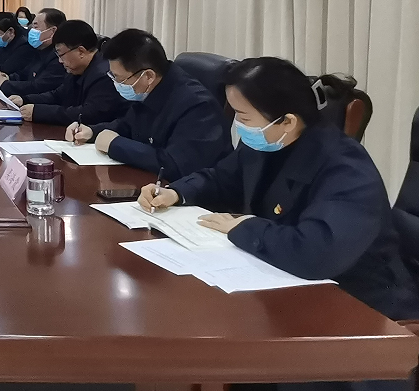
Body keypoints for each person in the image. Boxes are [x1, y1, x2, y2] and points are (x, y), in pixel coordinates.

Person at [140, 57, 419, 330]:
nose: (239, 125)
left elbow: (316, 253)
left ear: (287, 121)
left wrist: (245, 227)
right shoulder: (267, 141)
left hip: (362, 305)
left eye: (243, 117)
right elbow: (222, 179)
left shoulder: (347, 170)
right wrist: (176, 192)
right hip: (286, 280)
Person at [65, 29, 230, 179]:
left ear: (148, 76)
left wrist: (115, 145)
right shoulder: (150, 88)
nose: (116, 83)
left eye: (120, 78)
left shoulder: (198, 107)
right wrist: (92, 132)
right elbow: (128, 125)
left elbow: (175, 166)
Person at [9, 19, 126, 125]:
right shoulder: (76, 70)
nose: (60, 61)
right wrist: (25, 100)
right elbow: (57, 95)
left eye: (61, 55)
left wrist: (39, 112)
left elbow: (89, 114)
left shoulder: (104, 75)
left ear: (81, 51)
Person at [0, 7, 68, 94]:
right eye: (32, 27)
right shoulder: (39, 51)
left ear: (53, 31)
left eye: (36, 27)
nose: (31, 31)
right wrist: (5, 77)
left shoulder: (58, 57)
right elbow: (24, 74)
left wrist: (5, 84)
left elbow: (39, 87)